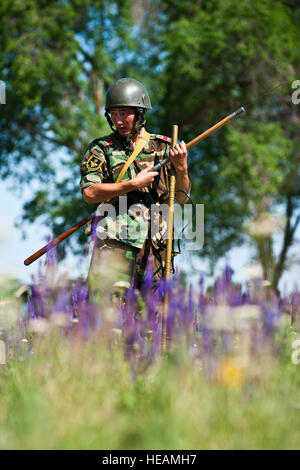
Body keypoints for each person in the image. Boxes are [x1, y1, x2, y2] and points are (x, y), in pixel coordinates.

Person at [80, 78, 191, 302]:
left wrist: (181, 168)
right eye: (114, 114)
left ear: (139, 113)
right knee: (105, 314)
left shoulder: (164, 147)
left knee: (152, 316)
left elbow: (181, 197)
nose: (119, 120)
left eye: (125, 113)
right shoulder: (101, 148)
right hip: (114, 245)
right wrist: (131, 184)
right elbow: (90, 193)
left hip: (155, 247)